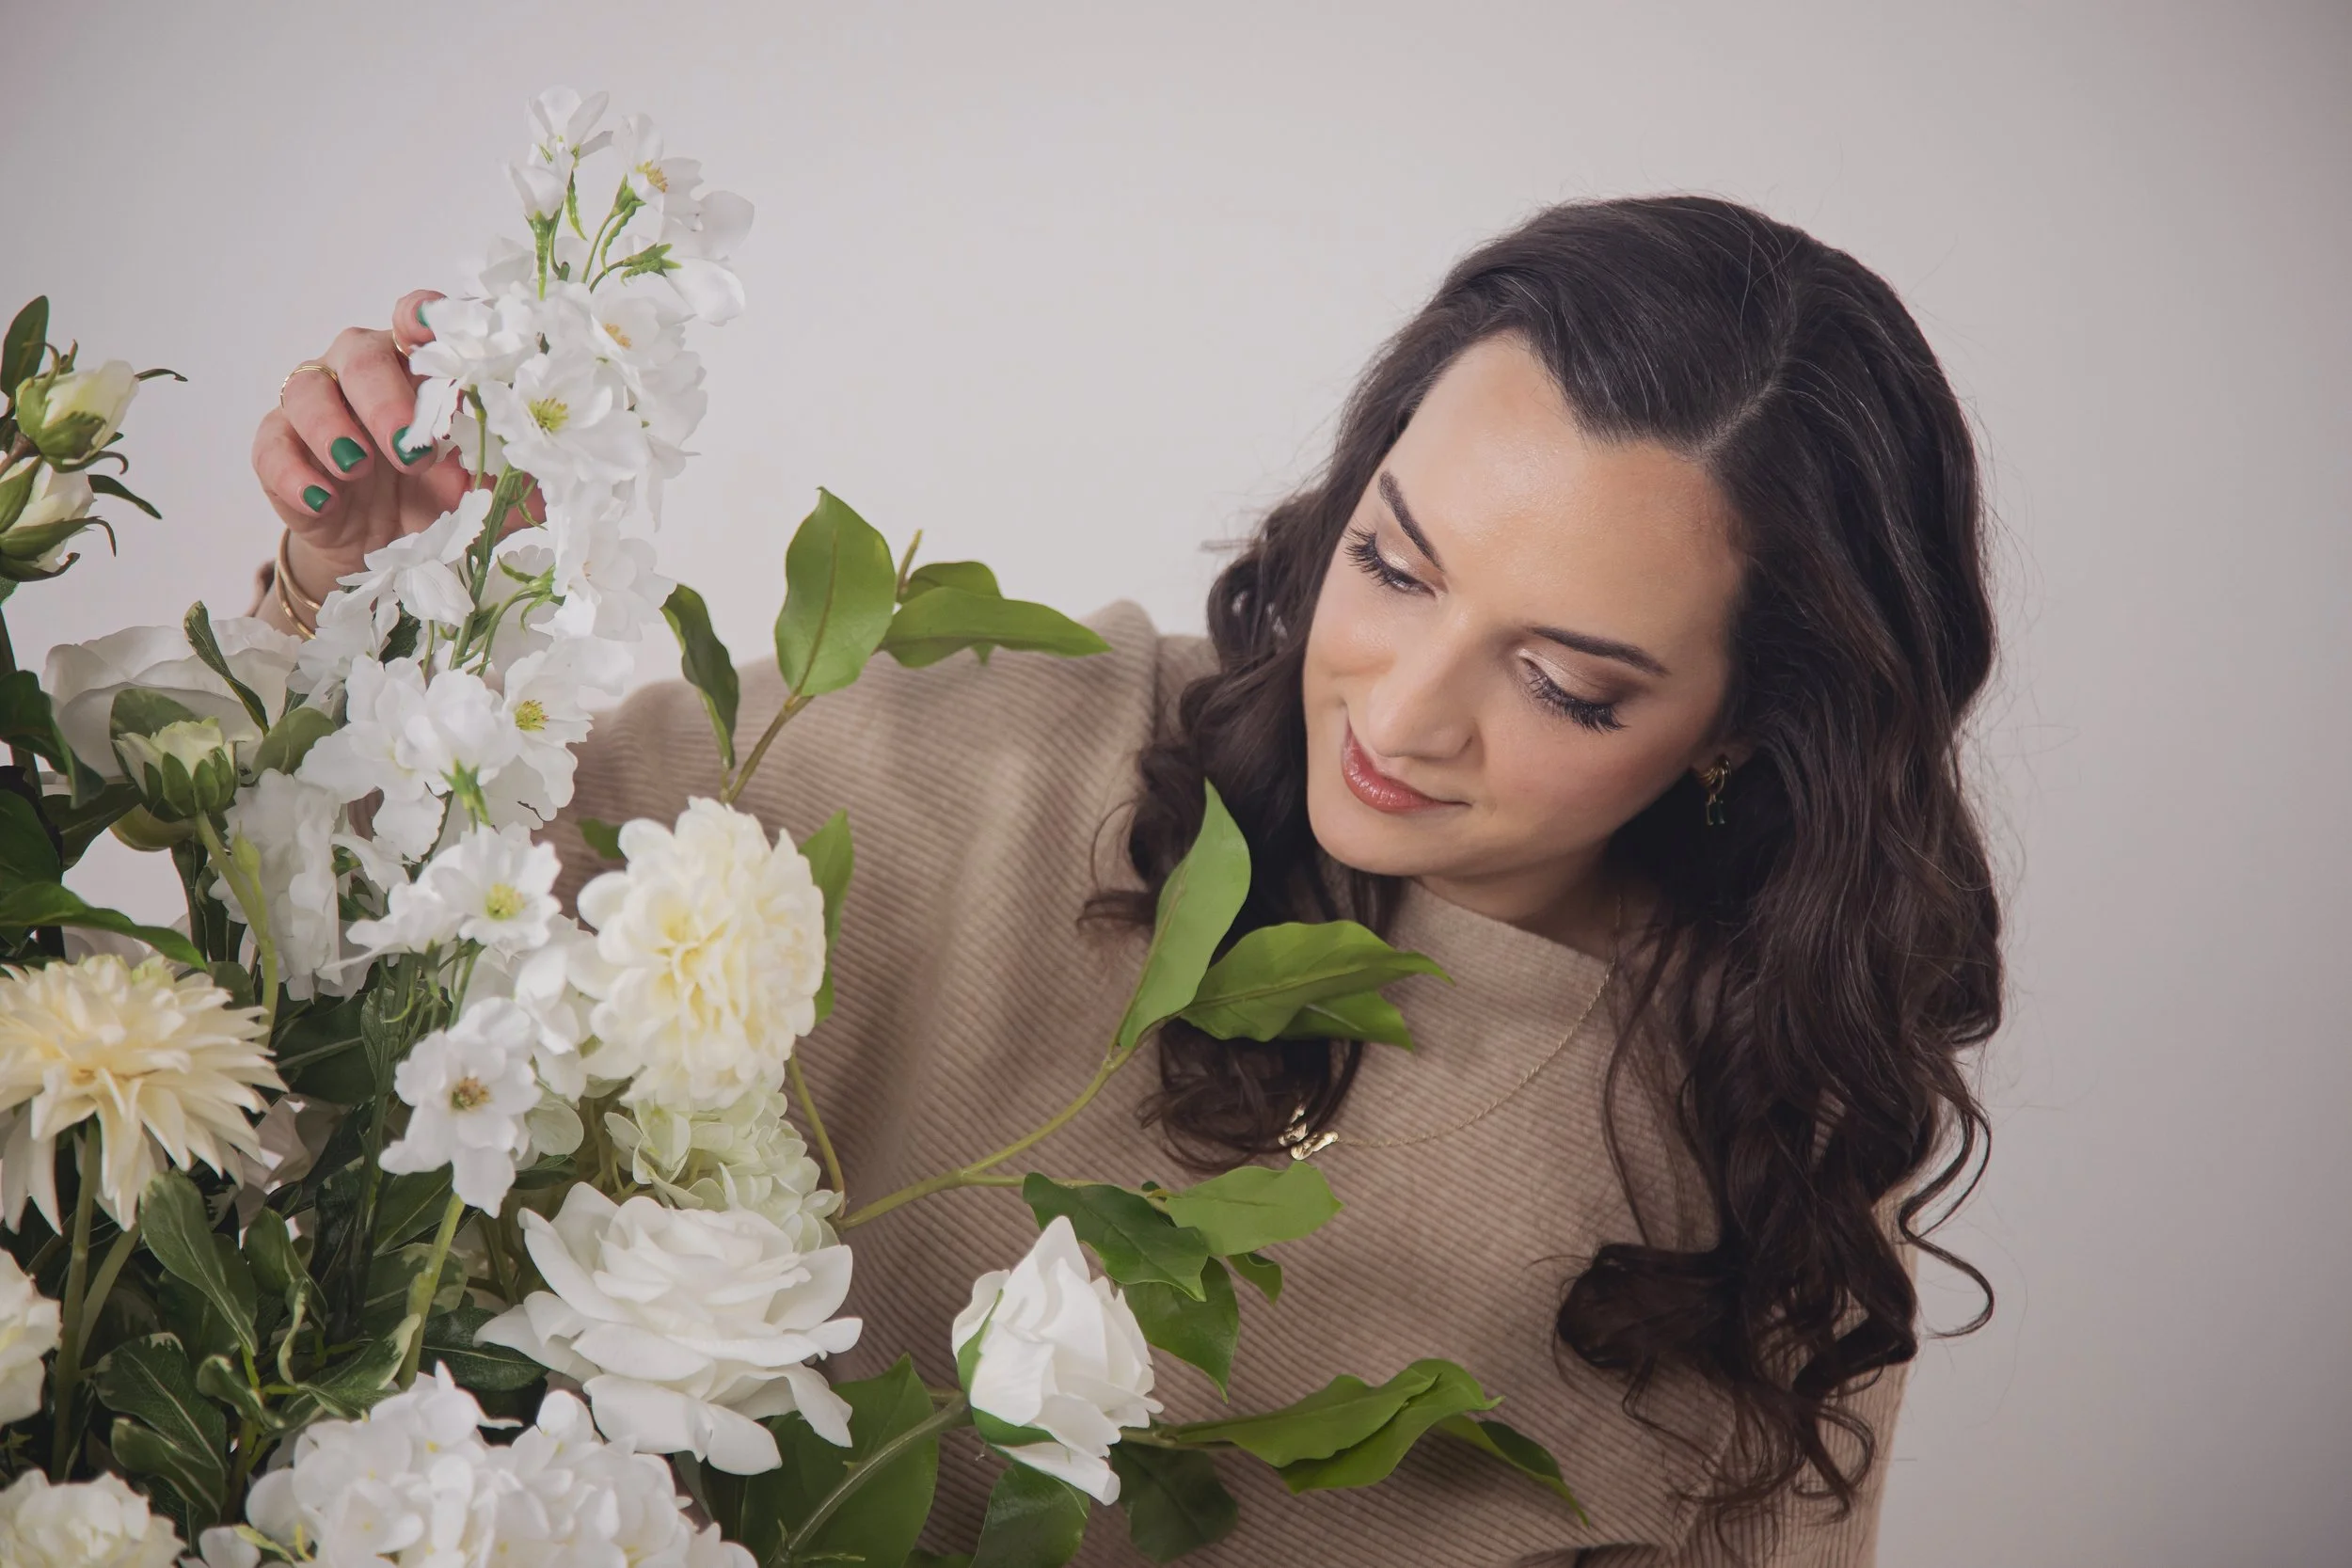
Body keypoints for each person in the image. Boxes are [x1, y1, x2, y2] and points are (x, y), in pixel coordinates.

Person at [245, 195, 2001, 1566]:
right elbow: (337, 1012)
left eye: (1562, 683)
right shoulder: (1013, 756)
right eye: (1390, 564)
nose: (1396, 709)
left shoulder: (1755, 1182)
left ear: (1742, 731)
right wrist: (368, 613)